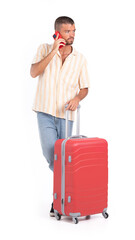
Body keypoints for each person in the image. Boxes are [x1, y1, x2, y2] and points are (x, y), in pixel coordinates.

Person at [30, 16, 90, 217]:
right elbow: (34, 72)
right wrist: (54, 51)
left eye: (74, 31)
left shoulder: (80, 58)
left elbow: (85, 88)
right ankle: (73, 191)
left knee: (64, 158)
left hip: (66, 115)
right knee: (51, 156)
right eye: (67, 31)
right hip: (45, 112)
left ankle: (60, 199)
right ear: (57, 33)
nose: (72, 35)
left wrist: (77, 98)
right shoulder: (44, 49)